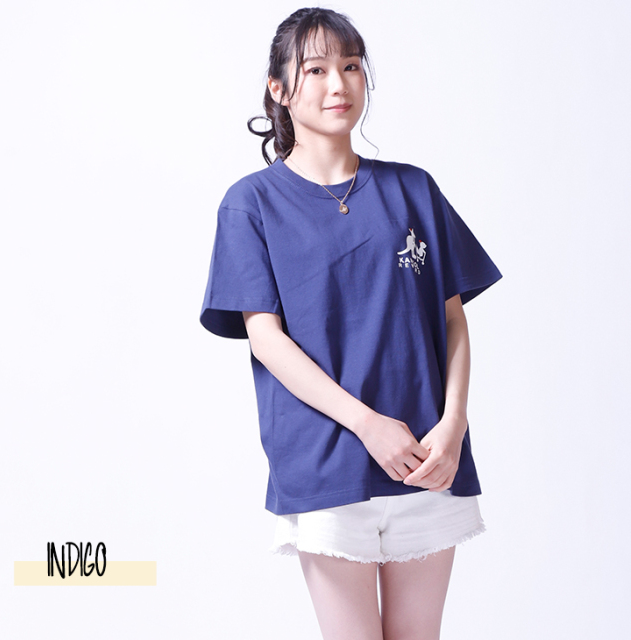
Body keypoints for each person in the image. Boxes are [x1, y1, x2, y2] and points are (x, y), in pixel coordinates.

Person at [199, 7, 501, 640]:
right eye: (316, 70)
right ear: (280, 89)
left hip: (427, 458)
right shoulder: (251, 203)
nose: (338, 84)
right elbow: (266, 339)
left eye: (352, 66)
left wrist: (453, 425)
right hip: (327, 464)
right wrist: (368, 425)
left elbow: (453, 320)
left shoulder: (413, 189)